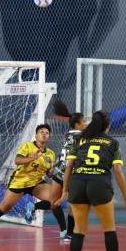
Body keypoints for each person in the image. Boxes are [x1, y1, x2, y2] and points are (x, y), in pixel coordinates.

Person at [54, 110, 126, 251]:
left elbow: (69, 167)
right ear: (108, 125)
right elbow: (118, 172)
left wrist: (65, 192)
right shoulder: (112, 142)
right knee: (109, 229)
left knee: (78, 230)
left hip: (78, 184)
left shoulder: (80, 139)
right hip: (99, 184)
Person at [0, 124, 56, 236]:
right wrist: (32, 158)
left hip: (36, 182)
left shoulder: (51, 154)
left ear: (48, 137)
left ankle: (33, 208)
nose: (44, 134)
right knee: (5, 207)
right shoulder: (27, 146)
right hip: (20, 181)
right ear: (36, 135)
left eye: (46, 133)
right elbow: (17, 160)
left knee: (55, 199)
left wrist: (57, 170)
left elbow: (49, 174)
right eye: (41, 132)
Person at [49, 100, 87, 241]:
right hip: (61, 172)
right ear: (77, 125)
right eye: (84, 121)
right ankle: (65, 229)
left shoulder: (79, 136)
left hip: (72, 174)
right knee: (53, 202)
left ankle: (70, 233)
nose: (86, 124)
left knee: (72, 205)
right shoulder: (74, 135)